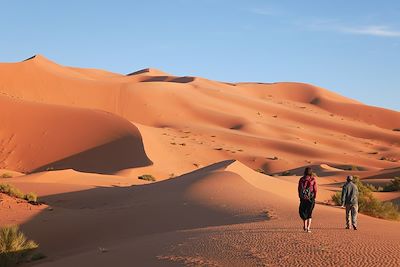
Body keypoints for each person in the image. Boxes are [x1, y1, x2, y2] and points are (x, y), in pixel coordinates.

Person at [298, 167, 317, 233]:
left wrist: (300, 197)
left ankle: (305, 226)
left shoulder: (301, 179)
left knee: (304, 212)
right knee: (309, 213)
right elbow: (315, 189)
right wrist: (314, 197)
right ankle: (308, 228)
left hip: (303, 198)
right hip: (311, 198)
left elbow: (299, 188)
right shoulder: (313, 179)